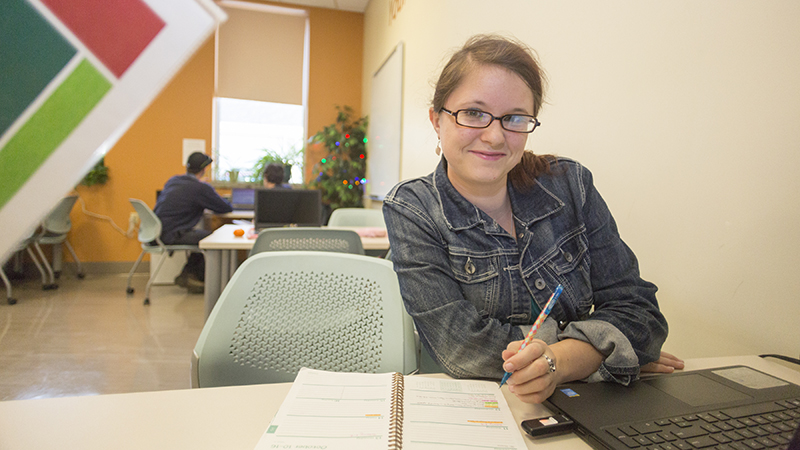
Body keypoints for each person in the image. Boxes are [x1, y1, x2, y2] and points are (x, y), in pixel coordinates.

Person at [382, 34, 683, 404]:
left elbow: (642, 314)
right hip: (468, 408)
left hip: (575, 403)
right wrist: (604, 353)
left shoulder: (571, 185)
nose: (494, 136)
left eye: (514, 118)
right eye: (473, 113)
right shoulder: (412, 207)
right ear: (436, 120)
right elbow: (461, 349)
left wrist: (565, 361)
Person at [154, 152, 232, 293]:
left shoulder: (174, 180)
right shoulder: (200, 188)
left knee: (202, 236)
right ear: (204, 170)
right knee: (212, 239)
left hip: (157, 232)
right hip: (172, 234)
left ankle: (188, 274)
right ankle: (196, 276)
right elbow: (224, 208)